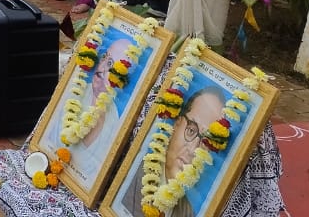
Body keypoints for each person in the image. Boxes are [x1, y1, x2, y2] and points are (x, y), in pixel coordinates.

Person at [117, 86, 225, 217]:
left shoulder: (188, 212)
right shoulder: (129, 178)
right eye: (191, 130)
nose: (193, 150)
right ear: (176, 124)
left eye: (206, 141)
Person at [40, 38, 133, 184]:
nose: (101, 68)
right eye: (104, 58)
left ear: (122, 78)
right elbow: (50, 140)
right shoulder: (77, 90)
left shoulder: (115, 121)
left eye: (110, 65)